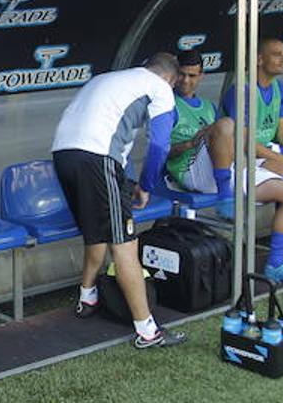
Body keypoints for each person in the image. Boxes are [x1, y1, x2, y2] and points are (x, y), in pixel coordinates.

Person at [51, 52, 191, 345]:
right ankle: (147, 330)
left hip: (63, 153)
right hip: (98, 156)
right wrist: (146, 185)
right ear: (172, 78)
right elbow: (160, 145)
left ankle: (87, 297)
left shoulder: (109, 77)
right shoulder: (160, 88)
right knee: (125, 241)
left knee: (97, 228)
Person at [166, 49, 283, 285]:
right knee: (226, 124)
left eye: (192, 75)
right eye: (181, 75)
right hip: (188, 170)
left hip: (221, 167)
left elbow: (232, 144)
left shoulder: (208, 107)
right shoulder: (167, 104)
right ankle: (226, 198)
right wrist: (191, 143)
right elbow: (163, 153)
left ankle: (276, 264)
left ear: (201, 76)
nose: (186, 81)